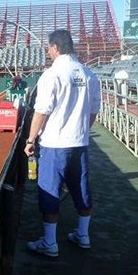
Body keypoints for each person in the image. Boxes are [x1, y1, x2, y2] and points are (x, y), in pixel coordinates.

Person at [24, 29, 100, 258]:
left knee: (49, 189)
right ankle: (83, 235)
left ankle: (49, 242)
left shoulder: (52, 74)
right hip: (79, 142)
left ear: (55, 47)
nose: (48, 51)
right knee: (81, 187)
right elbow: (93, 112)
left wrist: (30, 139)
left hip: (55, 143)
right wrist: (81, 131)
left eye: (49, 47)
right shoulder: (88, 74)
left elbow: (41, 112)